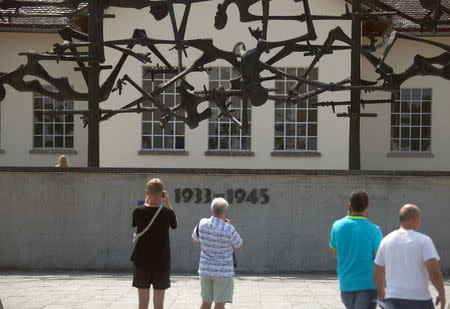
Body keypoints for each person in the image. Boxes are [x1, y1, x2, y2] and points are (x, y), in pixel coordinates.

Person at [374, 204, 446, 309]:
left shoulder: (386, 241)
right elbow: (434, 272)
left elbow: (378, 270)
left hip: (393, 300)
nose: (420, 224)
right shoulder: (424, 241)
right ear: (414, 219)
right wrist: (442, 294)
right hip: (420, 300)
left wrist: (381, 294)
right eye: (419, 220)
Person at [329, 190, 383, 309]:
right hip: (367, 284)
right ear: (367, 206)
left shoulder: (336, 226)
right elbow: (380, 259)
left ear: (349, 205)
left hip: (346, 284)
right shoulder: (374, 230)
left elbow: (334, 251)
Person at [131, 178, 177, 309]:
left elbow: (135, 223)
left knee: (143, 301)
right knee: (159, 302)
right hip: (161, 261)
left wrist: (146, 204)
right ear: (162, 193)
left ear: (147, 193)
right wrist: (168, 204)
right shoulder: (167, 213)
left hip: (141, 261)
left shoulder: (138, 211)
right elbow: (175, 225)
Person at [192, 197, 243, 309]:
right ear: (225, 212)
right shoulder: (229, 229)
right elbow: (239, 245)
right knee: (220, 304)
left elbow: (195, 239)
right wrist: (228, 226)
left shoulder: (202, 223)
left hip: (205, 270)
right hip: (223, 272)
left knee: (205, 302)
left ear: (212, 210)